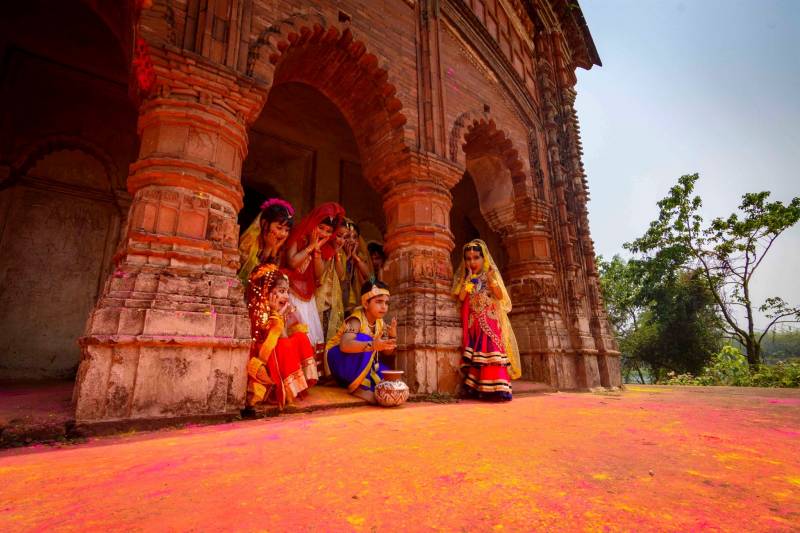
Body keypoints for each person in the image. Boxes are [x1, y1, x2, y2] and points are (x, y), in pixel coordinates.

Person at [452, 239, 521, 401]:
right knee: (479, 353)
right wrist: (468, 279)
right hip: (475, 322)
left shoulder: (489, 275)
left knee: (491, 349)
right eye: (468, 259)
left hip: (490, 320)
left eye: (476, 257)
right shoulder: (470, 279)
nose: (472, 261)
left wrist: (490, 280)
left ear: (484, 258)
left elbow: (500, 296)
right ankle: (481, 387)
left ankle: (497, 388)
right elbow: (462, 297)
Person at [244, 263, 318, 411]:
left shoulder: (285, 309)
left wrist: (280, 315)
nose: (286, 296)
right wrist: (276, 317)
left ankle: (298, 387)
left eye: (287, 291)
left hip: (277, 354)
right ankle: (286, 391)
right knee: (285, 344)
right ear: (266, 292)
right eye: (281, 291)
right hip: (263, 359)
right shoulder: (258, 311)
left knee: (300, 337)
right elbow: (268, 347)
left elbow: (286, 335)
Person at [283, 202, 345, 350]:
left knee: (309, 340)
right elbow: (292, 263)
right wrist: (310, 247)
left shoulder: (326, 247)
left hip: (308, 299)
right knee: (291, 337)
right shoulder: (298, 234)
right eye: (321, 228)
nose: (324, 233)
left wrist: (317, 252)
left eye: (328, 231)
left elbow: (319, 274)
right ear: (313, 223)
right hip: (290, 294)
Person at [325, 280, 397, 404]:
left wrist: (391, 339)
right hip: (337, 359)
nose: (384, 306)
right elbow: (345, 345)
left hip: (357, 363)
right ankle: (359, 389)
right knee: (365, 339)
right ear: (365, 303)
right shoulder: (356, 320)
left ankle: (366, 385)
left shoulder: (380, 323)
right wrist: (373, 345)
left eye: (386, 302)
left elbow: (387, 353)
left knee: (389, 379)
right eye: (379, 302)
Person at [237, 198, 295, 286]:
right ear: (265, 223)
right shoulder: (249, 240)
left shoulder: (279, 247)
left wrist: (273, 250)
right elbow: (251, 275)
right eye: (279, 228)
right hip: (232, 283)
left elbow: (269, 279)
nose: (283, 234)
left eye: (287, 230)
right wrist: (269, 248)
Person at [341, 219, 373, 314]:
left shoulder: (361, 257)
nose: (351, 240)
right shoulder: (336, 255)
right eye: (347, 236)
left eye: (354, 237)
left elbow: (372, 279)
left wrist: (356, 258)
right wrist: (346, 259)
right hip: (338, 303)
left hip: (357, 305)